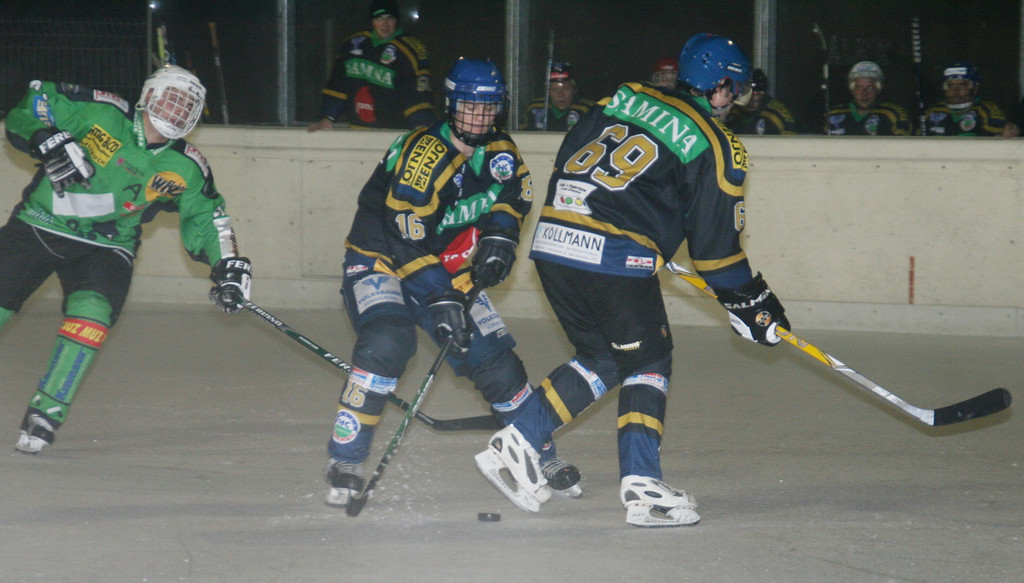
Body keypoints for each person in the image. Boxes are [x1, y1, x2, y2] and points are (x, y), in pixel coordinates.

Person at [474, 33, 790, 527]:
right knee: (648, 360)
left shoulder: (623, 96)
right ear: (721, 87)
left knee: (602, 357)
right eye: (736, 89)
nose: (735, 100)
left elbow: (570, 158)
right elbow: (716, 256)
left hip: (554, 242)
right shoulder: (717, 143)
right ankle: (643, 487)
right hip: (613, 257)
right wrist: (754, 301)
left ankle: (516, 442)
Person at [322, 57, 581, 509]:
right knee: (386, 344)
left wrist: (500, 237)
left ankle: (539, 453)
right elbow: (404, 236)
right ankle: (346, 459)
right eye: (470, 106)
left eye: (489, 107)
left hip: (446, 267)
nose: (480, 117)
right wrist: (440, 296)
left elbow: (515, 193)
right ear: (450, 104)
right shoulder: (424, 156)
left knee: (497, 364)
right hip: (381, 261)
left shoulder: (500, 149)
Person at [1, 65, 252, 454]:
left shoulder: (186, 165)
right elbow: (35, 101)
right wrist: (44, 136)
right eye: (172, 98)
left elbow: (209, 218)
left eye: (187, 106)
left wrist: (228, 265)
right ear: (148, 95)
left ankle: (46, 412)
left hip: (108, 246)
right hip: (39, 224)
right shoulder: (102, 111)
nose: (177, 110)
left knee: (92, 316)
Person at [307, 0, 435, 131]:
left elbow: (419, 95)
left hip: (394, 133)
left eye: (389, 18)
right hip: (357, 131)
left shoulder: (410, 51)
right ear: (371, 21)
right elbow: (338, 86)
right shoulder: (353, 45)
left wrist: (421, 125)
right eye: (379, 19)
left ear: (396, 20)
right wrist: (327, 117)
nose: (385, 25)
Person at [921, 61, 1020, 137]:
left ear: (975, 88)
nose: (956, 90)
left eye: (962, 85)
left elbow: (996, 145)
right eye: (950, 85)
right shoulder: (933, 112)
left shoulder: (986, 110)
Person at [826, 61, 911, 135]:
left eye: (870, 88)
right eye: (859, 88)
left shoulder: (894, 114)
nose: (864, 93)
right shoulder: (834, 114)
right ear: (851, 90)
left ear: (878, 89)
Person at [522, 62, 594, 131]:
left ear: (574, 89)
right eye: (554, 89)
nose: (560, 95)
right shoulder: (534, 108)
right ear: (547, 92)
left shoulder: (589, 110)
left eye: (566, 88)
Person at [722, 68, 797, 135]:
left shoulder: (777, 113)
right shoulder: (730, 109)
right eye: (747, 93)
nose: (753, 98)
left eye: (757, 93)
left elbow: (790, 142)